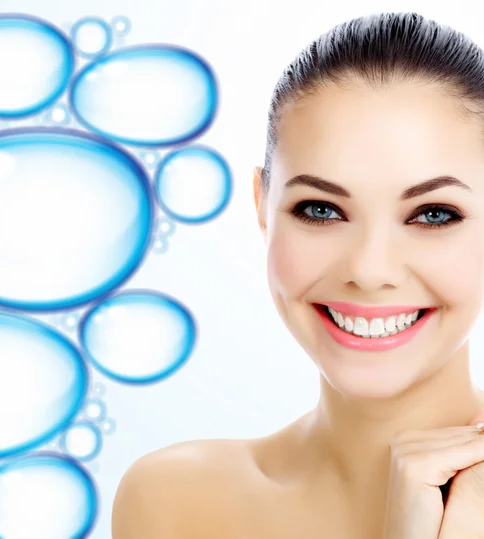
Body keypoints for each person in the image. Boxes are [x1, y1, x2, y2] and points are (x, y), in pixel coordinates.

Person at [111, 11, 484, 538]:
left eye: (433, 215)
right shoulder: (177, 501)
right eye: (322, 210)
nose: (370, 270)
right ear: (263, 206)